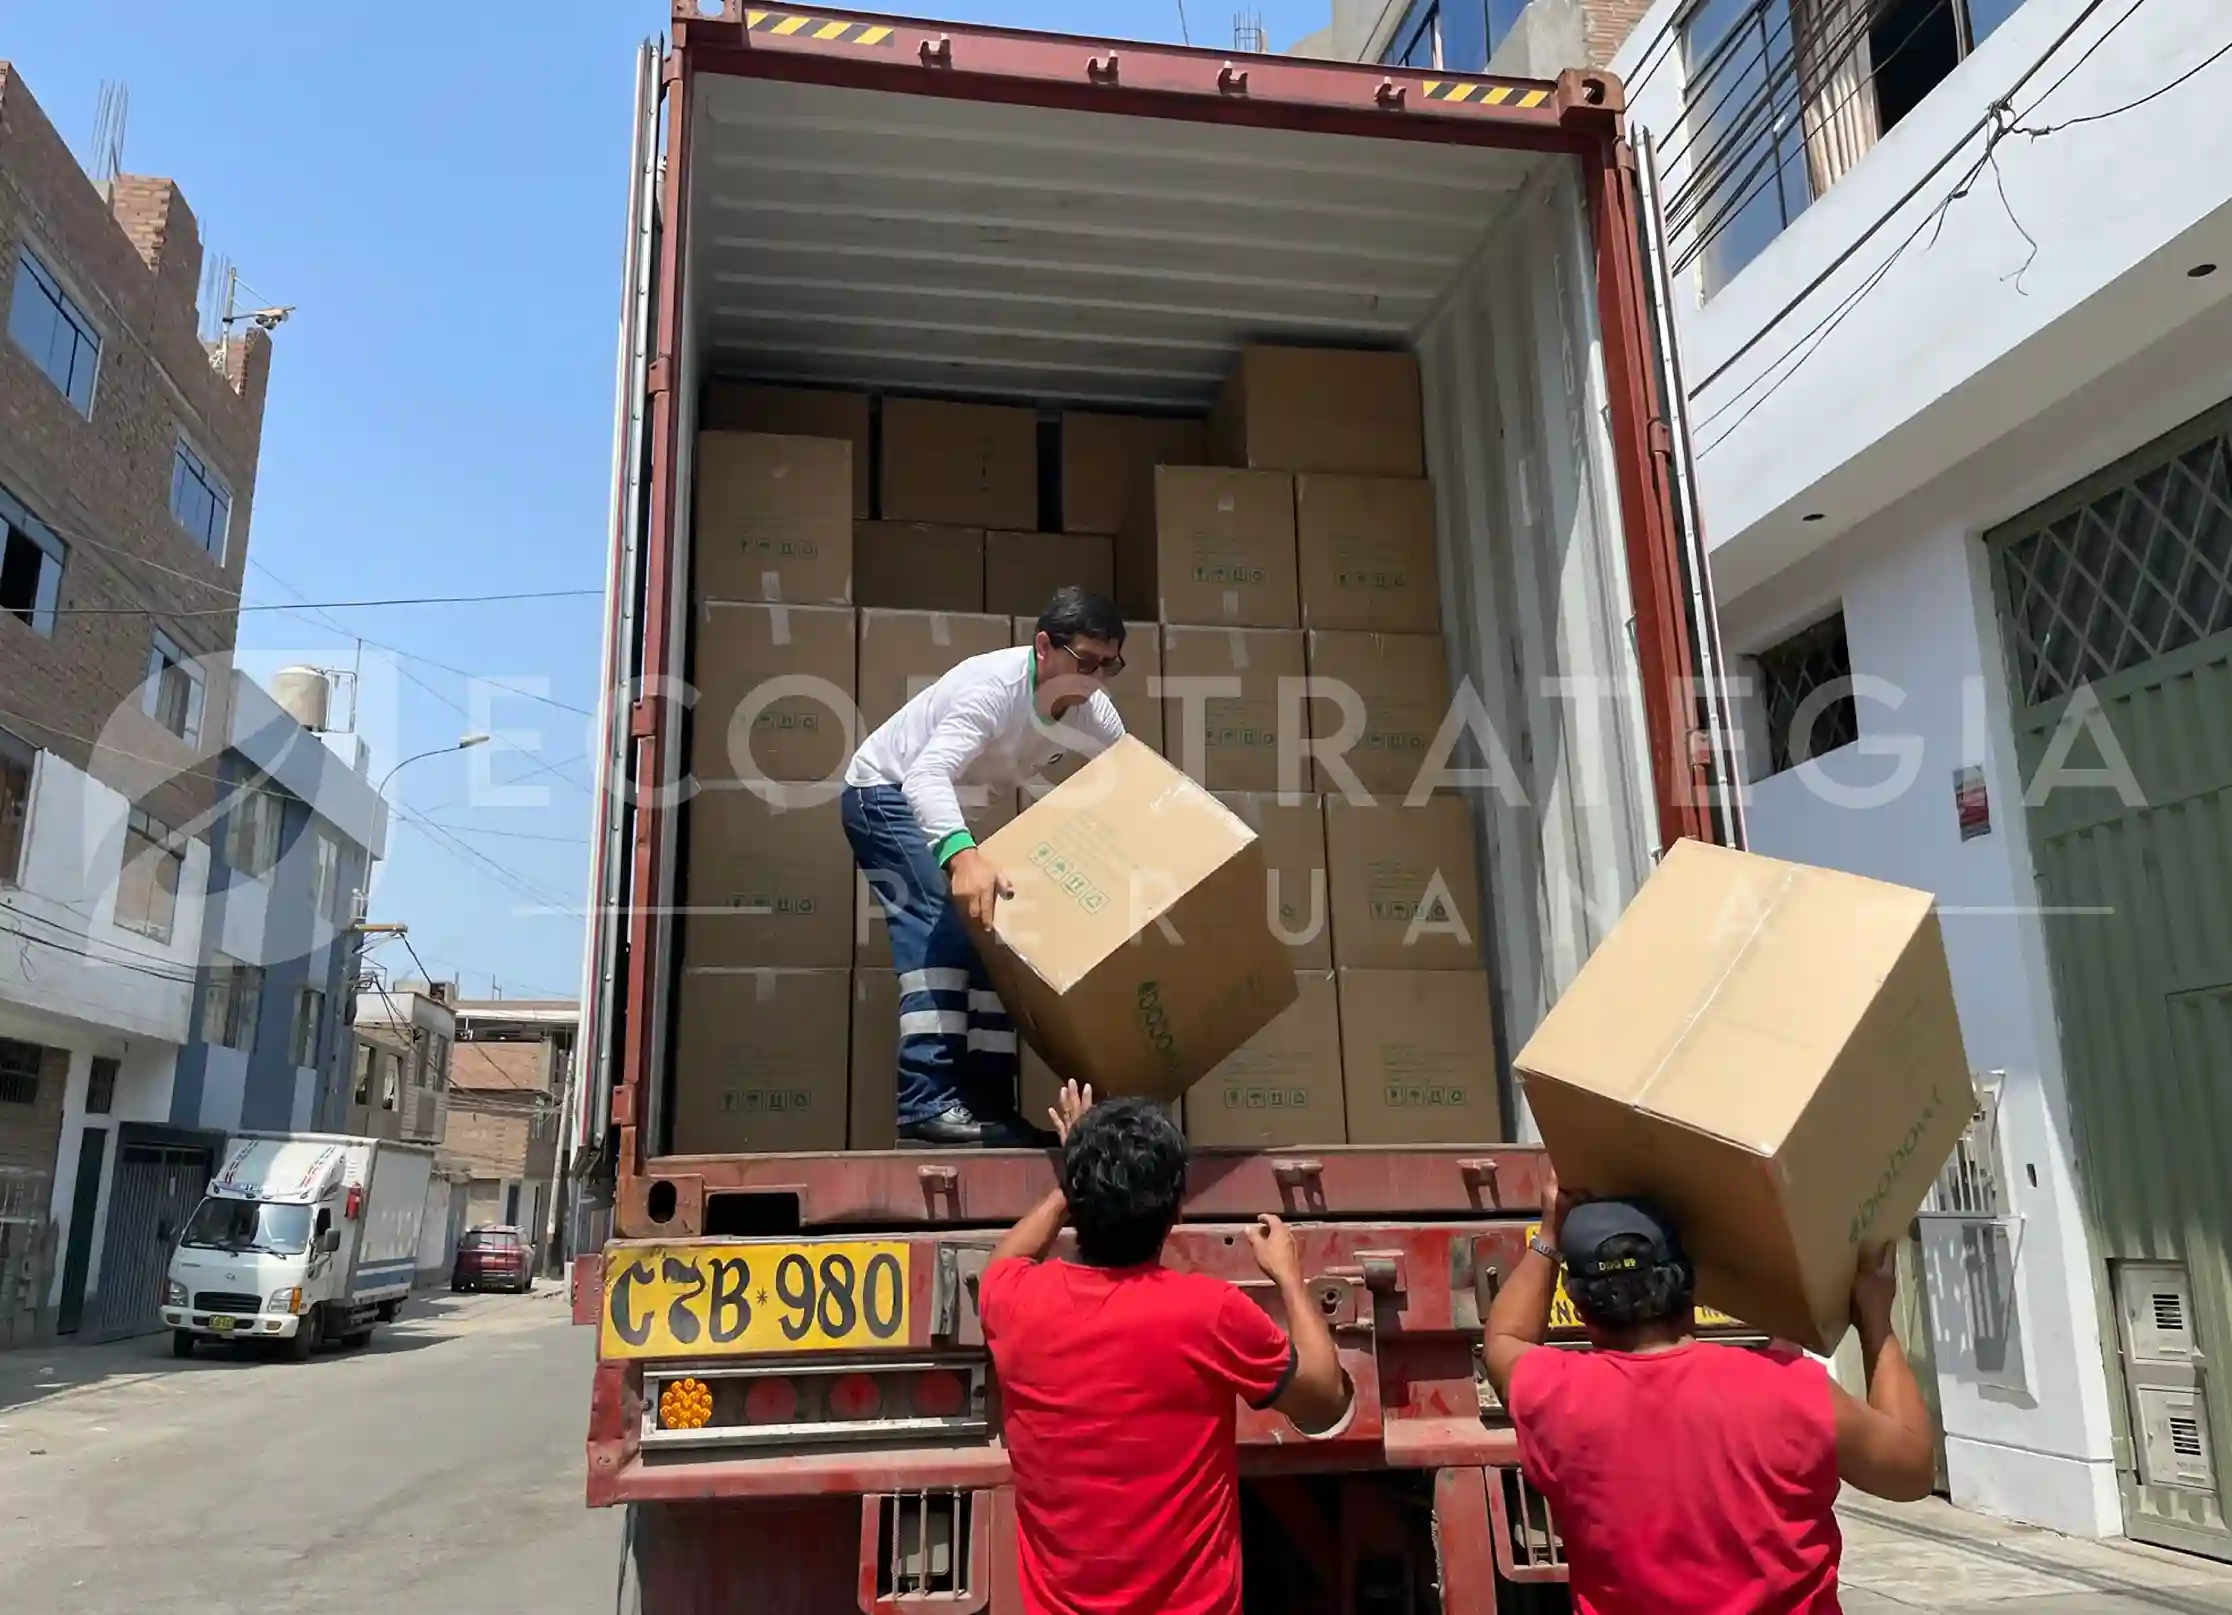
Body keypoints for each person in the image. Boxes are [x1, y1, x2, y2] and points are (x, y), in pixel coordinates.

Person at [1482, 1172, 1938, 1614]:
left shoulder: (1552, 1394)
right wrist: (1876, 1319)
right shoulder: (1788, 1389)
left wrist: (1547, 1236)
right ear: (1688, 1286)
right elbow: (1912, 1471)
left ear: (1580, 1308)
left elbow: (1503, 1338)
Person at [980, 1082, 1352, 1615]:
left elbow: (1005, 1258)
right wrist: (1289, 1279)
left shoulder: (1012, 1302)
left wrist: (1077, 1174)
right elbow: (1325, 1402)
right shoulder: (1209, 1313)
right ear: (1175, 1212)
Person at [841, 587, 1129, 1146]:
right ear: (1044, 646)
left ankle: (989, 1108)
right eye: (1085, 662)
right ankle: (927, 1105)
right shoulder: (992, 689)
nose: (1095, 678)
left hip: (952, 813)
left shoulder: (1091, 708)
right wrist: (963, 856)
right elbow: (926, 776)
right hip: (885, 794)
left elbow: (1132, 773)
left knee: (998, 940)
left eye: (1109, 665)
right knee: (942, 927)